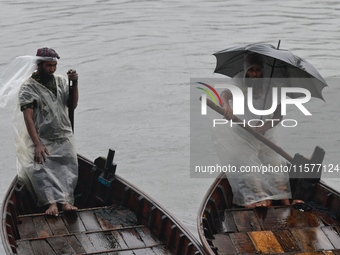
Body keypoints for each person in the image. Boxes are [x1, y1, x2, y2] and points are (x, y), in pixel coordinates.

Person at [219, 53, 293, 208]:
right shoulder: (240, 81)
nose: (254, 74)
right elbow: (225, 93)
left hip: (267, 135)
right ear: (246, 70)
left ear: (263, 71)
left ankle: (285, 202)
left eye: (258, 70)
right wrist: (226, 104)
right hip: (242, 135)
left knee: (276, 169)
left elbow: (279, 115)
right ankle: (259, 200)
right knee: (250, 170)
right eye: (251, 70)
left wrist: (264, 127)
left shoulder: (272, 86)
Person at [16, 47, 79, 216]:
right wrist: (37, 144)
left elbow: (71, 105)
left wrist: (75, 83)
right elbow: (28, 118)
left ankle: (65, 201)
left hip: (62, 133)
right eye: (48, 66)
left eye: (54, 65)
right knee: (40, 168)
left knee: (68, 164)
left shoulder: (60, 81)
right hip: (41, 136)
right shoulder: (28, 87)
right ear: (39, 65)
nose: (52, 69)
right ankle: (51, 203)